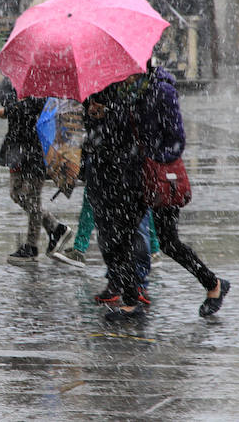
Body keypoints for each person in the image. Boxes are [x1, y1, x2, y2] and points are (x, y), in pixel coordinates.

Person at [133, 62, 230, 317]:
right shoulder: (128, 91)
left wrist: (153, 158)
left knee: (168, 242)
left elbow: (177, 138)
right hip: (136, 175)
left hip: (159, 177)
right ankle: (131, 293)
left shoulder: (161, 91)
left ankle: (213, 283)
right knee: (126, 232)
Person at [82, 78, 148, 320]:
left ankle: (132, 297)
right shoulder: (94, 92)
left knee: (121, 240)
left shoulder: (126, 98)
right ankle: (124, 289)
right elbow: (94, 135)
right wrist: (93, 116)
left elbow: (122, 135)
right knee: (109, 241)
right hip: (102, 181)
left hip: (123, 182)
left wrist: (105, 114)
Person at [0, 78, 73, 264]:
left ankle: (31, 247)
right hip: (16, 147)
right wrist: (12, 104)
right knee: (16, 193)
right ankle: (55, 227)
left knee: (32, 197)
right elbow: (3, 94)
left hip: (36, 148)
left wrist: (11, 109)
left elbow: (40, 104)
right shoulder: (14, 79)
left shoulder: (46, 83)